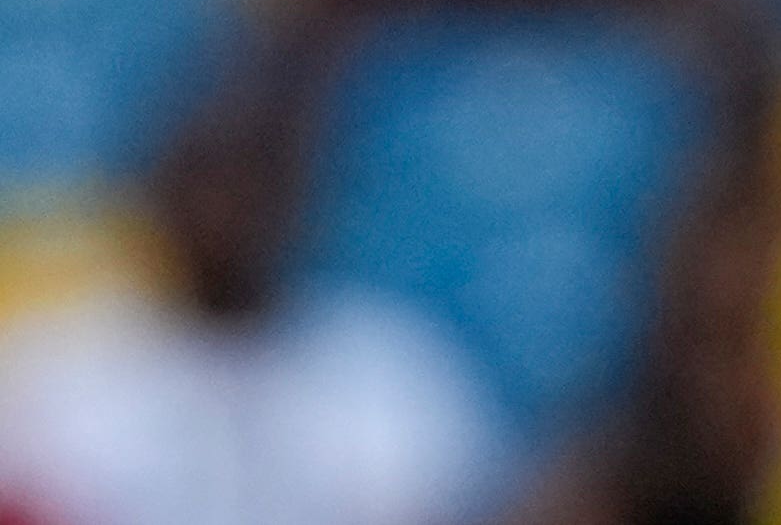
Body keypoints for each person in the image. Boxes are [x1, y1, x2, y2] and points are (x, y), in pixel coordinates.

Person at [0, 73, 506, 525]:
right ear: (158, 195)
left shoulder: (389, 369)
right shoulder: (54, 372)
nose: (228, 215)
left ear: (303, 197)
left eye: (254, 187)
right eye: (207, 184)